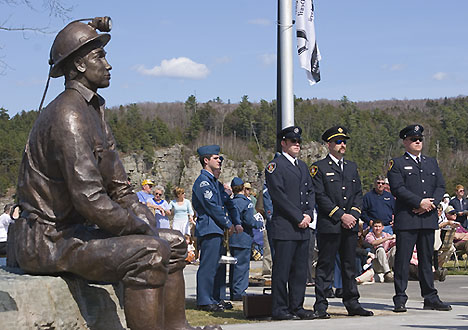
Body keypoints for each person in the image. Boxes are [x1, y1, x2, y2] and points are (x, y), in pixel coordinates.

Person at [12, 18, 195, 330]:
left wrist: (143, 218)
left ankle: (178, 328)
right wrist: (137, 228)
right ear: (80, 65)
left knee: (174, 243)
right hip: (50, 238)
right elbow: (90, 199)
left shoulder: (94, 109)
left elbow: (119, 186)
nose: (109, 65)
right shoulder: (68, 114)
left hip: (76, 233)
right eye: (100, 57)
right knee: (150, 252)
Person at [311, 125, 373, 318]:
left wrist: (353, 215)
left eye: (344, 141)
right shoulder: (319, 168)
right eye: (338, 142)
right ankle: (321, 304)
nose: (342, 145)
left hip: (350, 226)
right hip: (330, 225)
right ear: (329, 144)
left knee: (349, 266)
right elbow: (320, 197)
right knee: (325, 266)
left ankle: (352, 302)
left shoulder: (352, 167)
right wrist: (341, 215)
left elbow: (357, 195)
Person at [387, 124, 451, 313]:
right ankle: (400, 297)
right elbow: (398, 188)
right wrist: (419, 202)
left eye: (420, 139)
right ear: (405, 142)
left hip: (428, 217)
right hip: (408, 217)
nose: (417, 142)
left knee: (426, 259)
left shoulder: (431, 162)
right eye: (414, 139)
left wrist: (431, 203)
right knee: (403, 259)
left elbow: (440, 185)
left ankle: (430, 296)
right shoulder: (397, 164)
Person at [265, 125, 316, 320]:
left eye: (299, 142)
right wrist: (298, 217)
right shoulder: (275, 166)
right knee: (282, 270)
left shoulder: (302, 166)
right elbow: (279, 197)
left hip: (303, 226)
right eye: (293, 141)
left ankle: (297, 306)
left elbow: (310, 192)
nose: (297, 145)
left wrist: (309, 214)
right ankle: (280, 309)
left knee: (300, 271)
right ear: (283, 143)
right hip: (286, 226)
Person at [192, 144, 242, 312]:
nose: (219, 160)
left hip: (217, 228)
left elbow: (225, 202)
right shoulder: (203, 183)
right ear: (206, 161)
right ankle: (205, 299)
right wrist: (228, 223)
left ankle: (215, 298)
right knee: (208, 265)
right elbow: (212, 206)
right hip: (209, 228)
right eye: (216, 158)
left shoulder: (214, 183)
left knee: (218, 265)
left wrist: (234, 222)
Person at [229, 177, 263, 301]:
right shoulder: (246, 203)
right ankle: (240, 292)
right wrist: (258, 224)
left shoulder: (231, 202)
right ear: (243, 188)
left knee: (234, 266)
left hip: (233, 237)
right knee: (242, 266)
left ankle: (234, 291)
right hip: (244, 237)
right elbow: (248, 220)